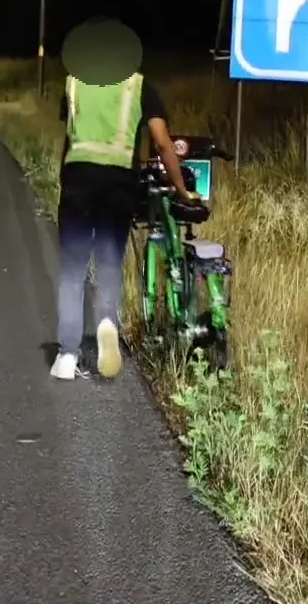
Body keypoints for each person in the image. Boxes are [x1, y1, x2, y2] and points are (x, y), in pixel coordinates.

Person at [52, 19, 200, 380]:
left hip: (77, 182)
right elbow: (163, 143)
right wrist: (182, 189)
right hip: (119, 184)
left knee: (72, 271)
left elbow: (70, 138)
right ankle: (106, 323)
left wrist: (64, 179)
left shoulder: (73, 86)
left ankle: (67, 356)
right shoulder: (140, 87)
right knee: (108, 263)